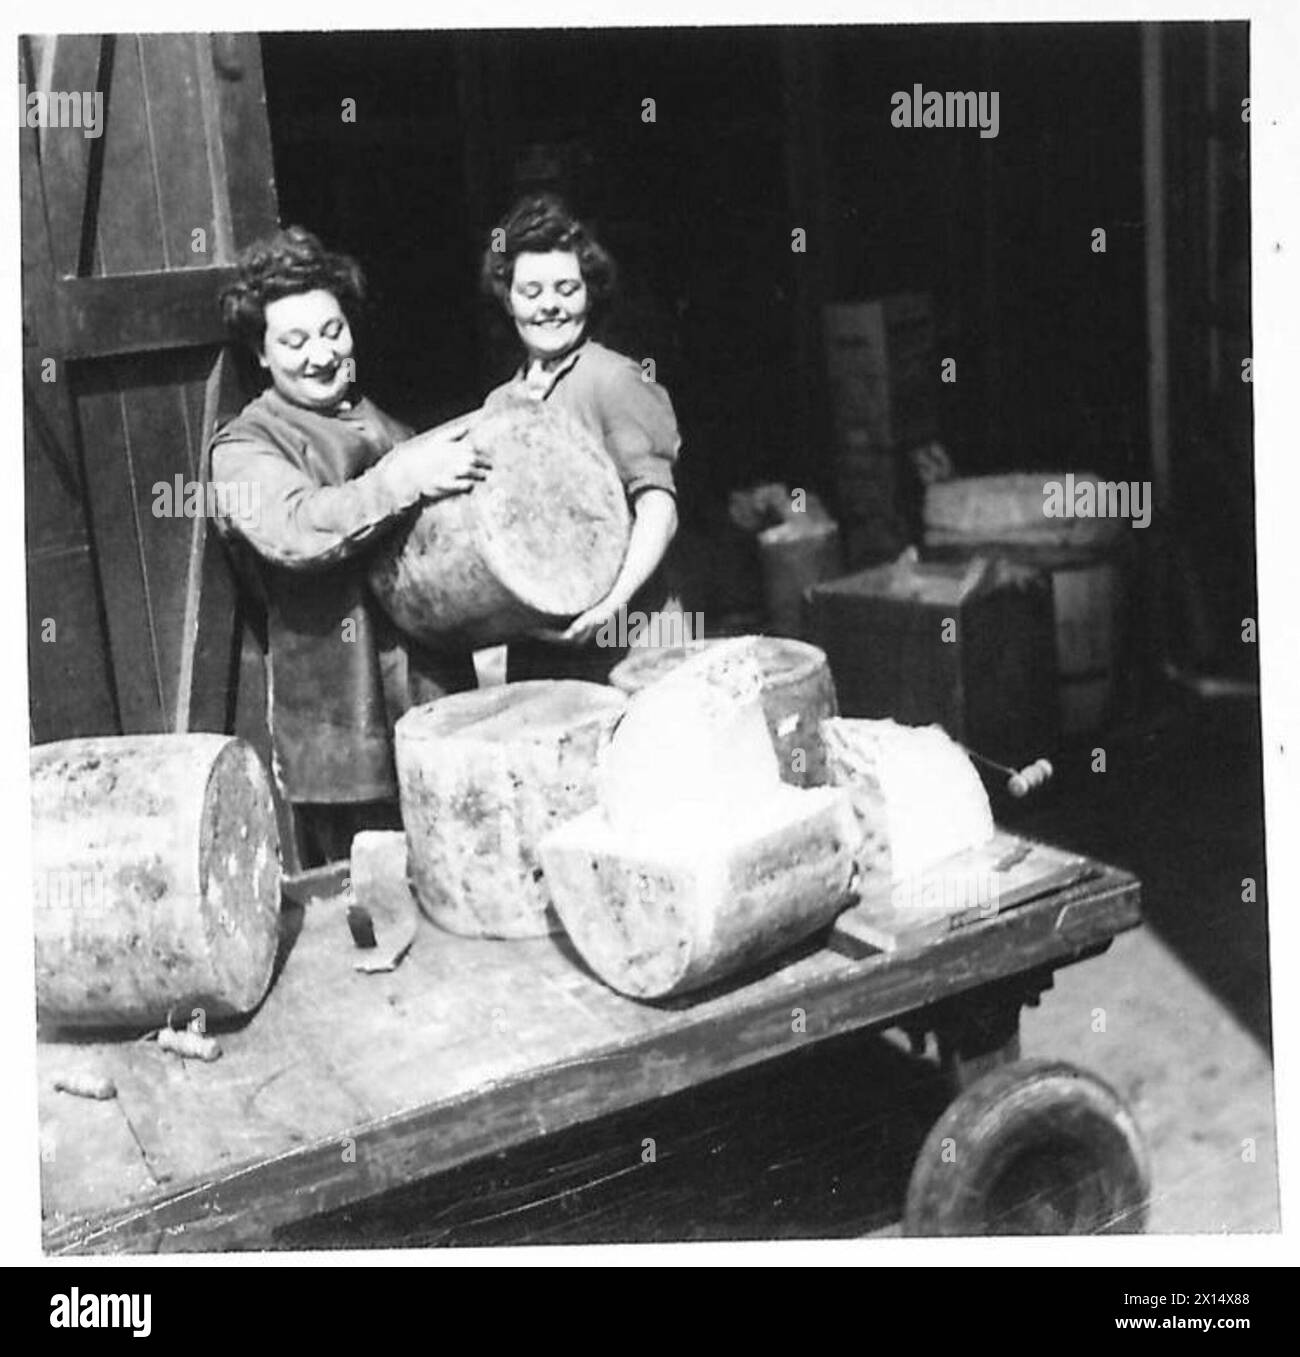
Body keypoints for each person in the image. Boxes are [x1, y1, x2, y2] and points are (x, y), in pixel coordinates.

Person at [208, 225, 490, 865]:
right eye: (295, 340)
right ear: (262, 352)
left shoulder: (380, 421)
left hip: (429, 702)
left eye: (332, 331)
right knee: (367, 900)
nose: (320, 354)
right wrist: (401, 479)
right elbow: (296, 528)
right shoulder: (248, 445)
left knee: (455, 883)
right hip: (343, 728)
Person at [479, 194, 681, 683]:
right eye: (531, 292)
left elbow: (658, 506)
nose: (550, 305)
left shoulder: (614, 380)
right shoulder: (499, 406)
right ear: (508, 299)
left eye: (567, 288)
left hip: (628, 639)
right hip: (544, 646)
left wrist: (612, 606)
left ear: (589, 295)